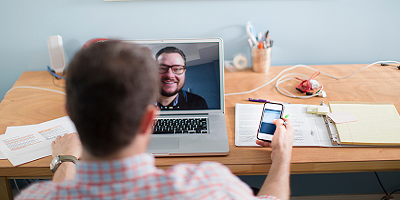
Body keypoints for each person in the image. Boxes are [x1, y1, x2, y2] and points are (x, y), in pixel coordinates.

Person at [16, 40, 294, 200]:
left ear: (69, 112)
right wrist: (282, 156)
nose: (170, 74)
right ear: (151, 118)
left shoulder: (34, 197)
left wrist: (65, 163)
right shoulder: (212, 185)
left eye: (177, 69)